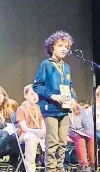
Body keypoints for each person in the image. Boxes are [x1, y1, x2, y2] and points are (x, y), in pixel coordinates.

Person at [33, 30, 76, 172]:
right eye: (61, 45)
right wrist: (53, 96)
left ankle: (59, 168)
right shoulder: (46, 65)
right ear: (52, 47)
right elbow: (37, 86)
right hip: (50, 109)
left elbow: (69, 87)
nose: (64, 49)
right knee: (52, 142)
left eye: (67, 47)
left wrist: (73, 99)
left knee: (63, 142)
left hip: (64, 109)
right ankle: (50, 169)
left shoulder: (67, 67)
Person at [16, 84, 46, 172]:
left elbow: (43, 125)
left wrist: (43, 132)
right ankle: (30, 169)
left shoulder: (40, 108)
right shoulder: (21, 109)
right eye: (32, 94)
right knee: (31, 137)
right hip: (25, 135)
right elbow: (24, 128)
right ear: (25, 95)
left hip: (39, 135)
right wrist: (37, 132)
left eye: (37, 94)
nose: (35, 96)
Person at [68, 102, 94, 172]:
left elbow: (87, 124)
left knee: (91, 136)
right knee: (80, 139)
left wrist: (89, 132)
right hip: (69, 131)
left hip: (80, 130)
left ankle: (92, 164)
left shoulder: (79, 108)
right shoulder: (62, 107)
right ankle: (84, 165)